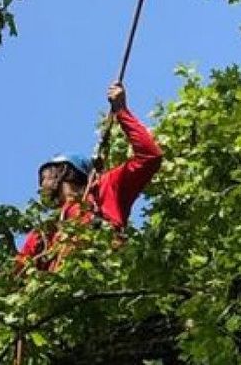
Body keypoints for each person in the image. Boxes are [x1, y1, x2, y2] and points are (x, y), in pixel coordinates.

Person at [16, 82, 163, 271]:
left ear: (62, 171)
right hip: (68, 294)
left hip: (105, 273)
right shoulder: (45, 232)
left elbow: (150, 157)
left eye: (44, 177)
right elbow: (15, 274)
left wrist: (122, 111)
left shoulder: (106, 188)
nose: (40, 186)